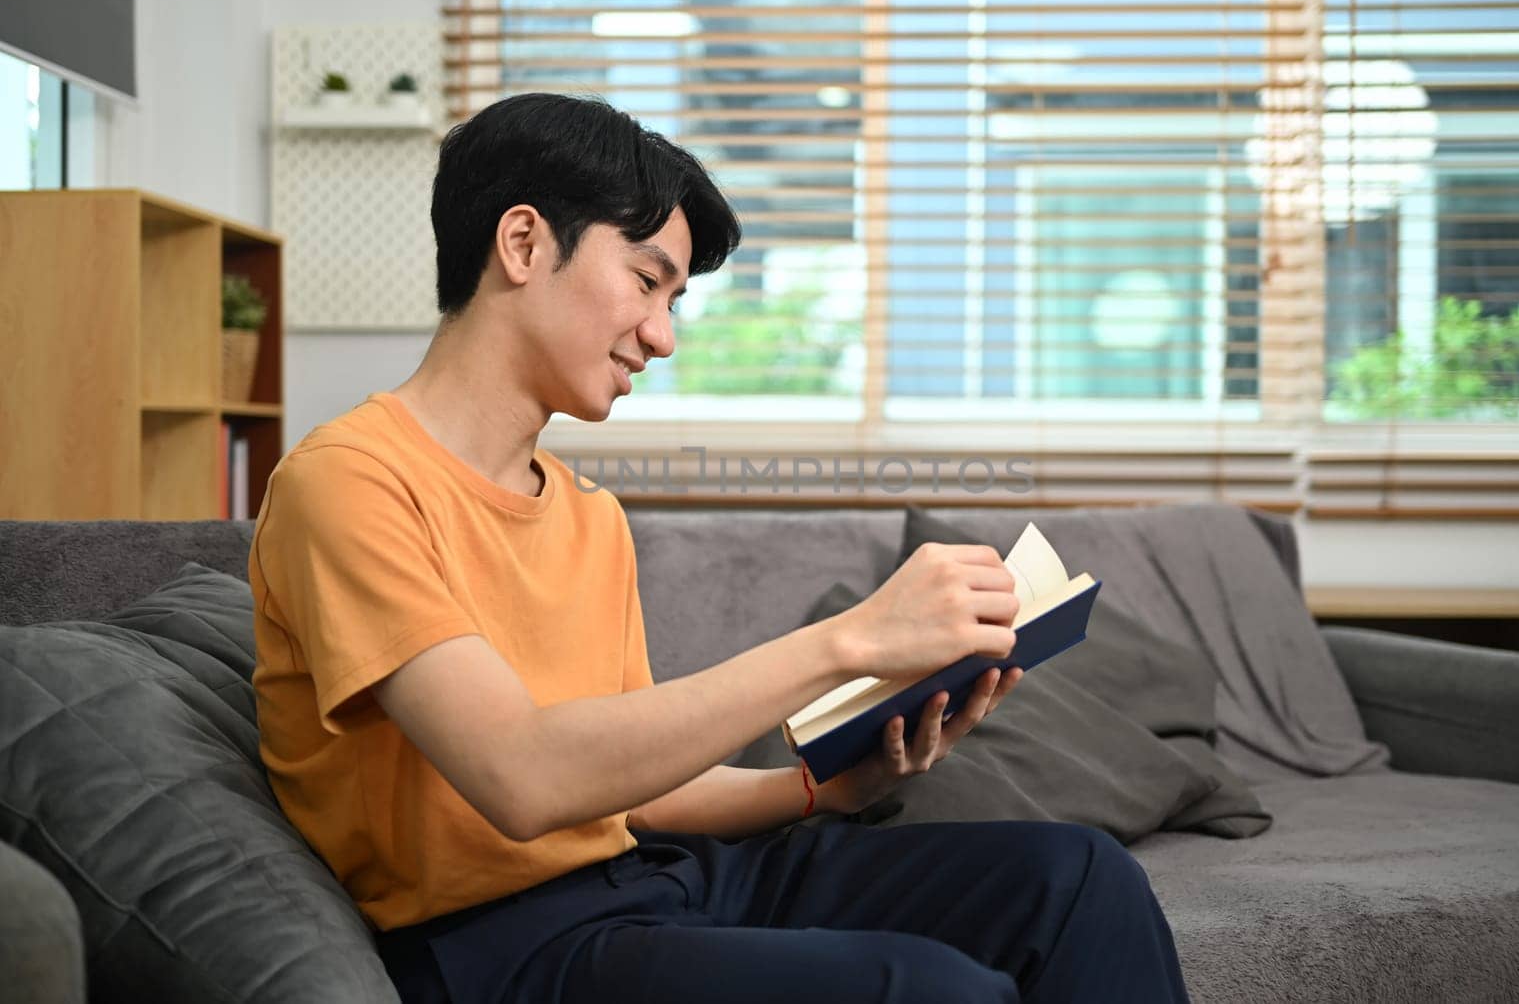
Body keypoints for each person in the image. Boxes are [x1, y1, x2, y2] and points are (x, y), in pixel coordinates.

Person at [249, 92, 1190, 1004]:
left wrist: (827, 790)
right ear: (524, 243)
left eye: (675, 299)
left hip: (657, 881)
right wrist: (853, 639)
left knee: (1075, 878)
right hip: (503, 944)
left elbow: (635, 791)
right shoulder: (349, 483)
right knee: (930, 990)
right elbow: (525, 776)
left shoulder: (586, 514)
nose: (660, 335)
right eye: (648, 280)